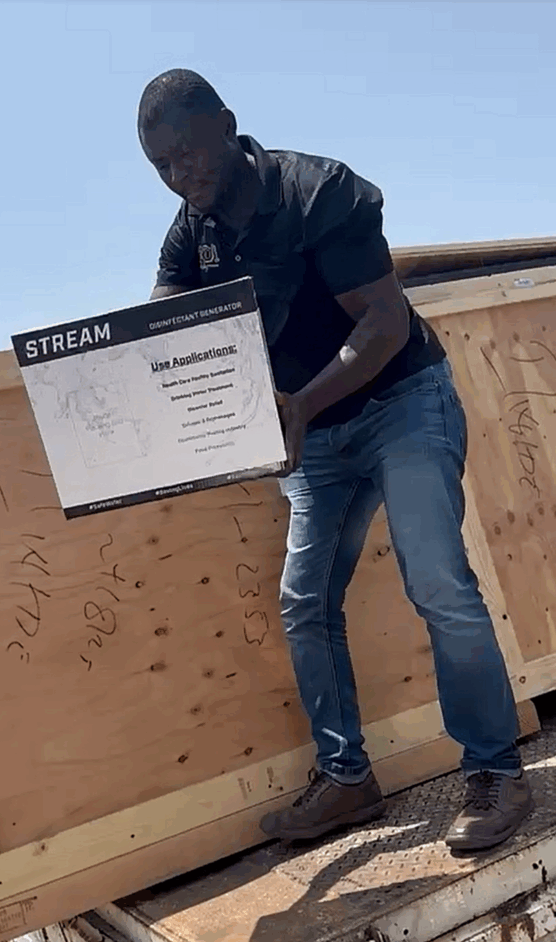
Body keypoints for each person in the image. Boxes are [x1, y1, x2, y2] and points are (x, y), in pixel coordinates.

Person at [138, 68, 534, 851]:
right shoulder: (195, 229)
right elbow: (162, 325)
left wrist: (297, 409)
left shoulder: (322, 193)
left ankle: (495, 773)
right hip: (310, 433)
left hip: (400, 403)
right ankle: (346, 776)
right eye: (161, 168)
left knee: (437, 581)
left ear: (227, 125)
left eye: (189, 155)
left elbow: (383, 323)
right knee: (304, 601)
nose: (181, 177)